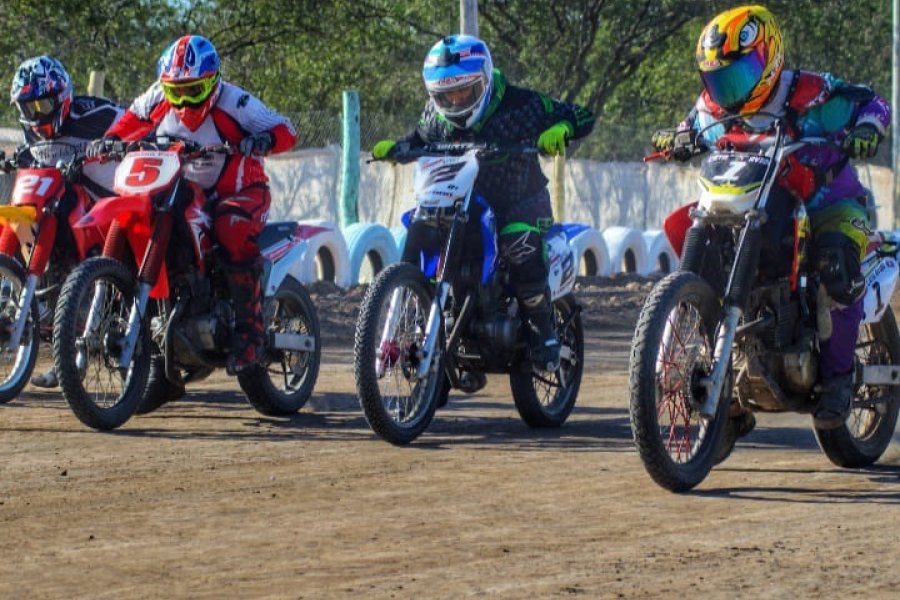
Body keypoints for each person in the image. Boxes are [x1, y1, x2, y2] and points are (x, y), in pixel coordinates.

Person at [650, 5, 891, 429]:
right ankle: (723, 385)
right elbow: (690, 126)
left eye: (740, 75)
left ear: (770, 57)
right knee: (699, 239)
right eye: (720, 79)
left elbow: (873, 103)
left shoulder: (812, 93)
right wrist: (675, 138)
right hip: (748, 202)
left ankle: (837, 380)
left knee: (834, 267)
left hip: (827, 202)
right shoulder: (713, 107)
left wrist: (867, 128)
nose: (730, 89)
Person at [373, 34, 595, 372]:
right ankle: (414, 329)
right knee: (418, 229)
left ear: (486, 80)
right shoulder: (435, 115)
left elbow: (582, 116)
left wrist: (561, 128)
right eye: (445, 95)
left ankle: (542, 331)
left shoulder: (522, 104)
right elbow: (420, 137)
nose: (456, 100)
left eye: (464, 91)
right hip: (455, 199)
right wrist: (399, 146)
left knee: (518, 246)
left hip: (518, 201)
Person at [90, 34, 297, 374]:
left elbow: (285, 128)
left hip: (241, 190)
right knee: (142, 215)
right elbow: (129, 121)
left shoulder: (237, 102)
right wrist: (109, 141)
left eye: (193, 90)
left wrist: (264, 139)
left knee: (231, 230)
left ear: (213, 83)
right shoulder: (157, 96)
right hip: (178, 186)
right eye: (177, 91)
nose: (184, 101)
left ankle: (250, 333)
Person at [8, 55, 123, 388]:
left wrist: (119, 144)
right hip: (63, 208)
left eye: (43, 104)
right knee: (57, 269)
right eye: (28, 108)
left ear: (62, 98)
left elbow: (139, 126)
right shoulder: (31, 131)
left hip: (109, 203)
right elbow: (35, 160)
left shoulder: (98, 114)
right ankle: (67, 362)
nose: (37, 115)